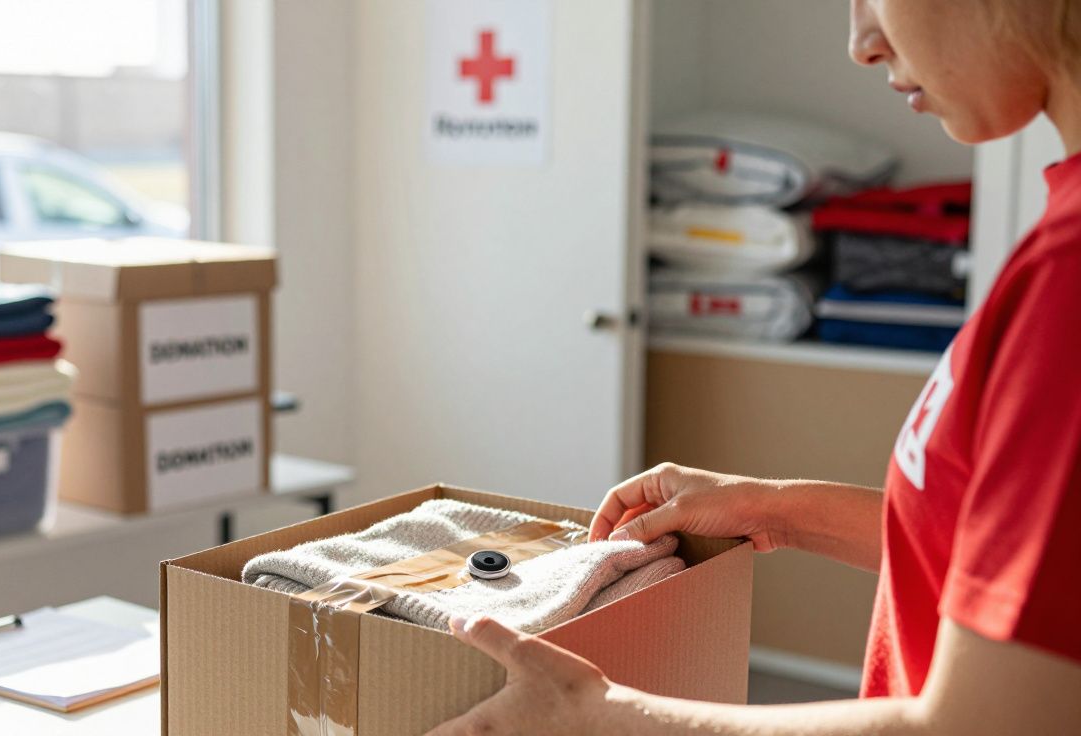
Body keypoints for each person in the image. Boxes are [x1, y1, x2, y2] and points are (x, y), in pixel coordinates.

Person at [427, 1, 1081, 733]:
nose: (861, 43)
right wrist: (773, 508)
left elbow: (981, 726)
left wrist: (598, 716)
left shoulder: (1067, 280)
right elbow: (1007, 560)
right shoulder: (1058, 241)